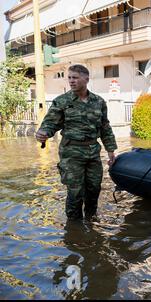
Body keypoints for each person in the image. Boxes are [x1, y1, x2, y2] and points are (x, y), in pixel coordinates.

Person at [35, 64, 117, 221]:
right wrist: (44, 133)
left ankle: (91, 219)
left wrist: (111, 150)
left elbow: (105, 127)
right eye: (70, 78)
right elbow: (50, 123)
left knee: (94, 189)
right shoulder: (62, 101)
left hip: (93, 152)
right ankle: (74, 227)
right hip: (71, 152)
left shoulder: (98, 102)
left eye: (75, 78)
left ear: (86, 79)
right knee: (75, 192)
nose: (71, 81)